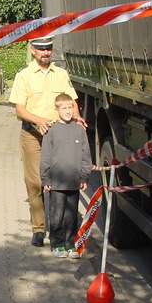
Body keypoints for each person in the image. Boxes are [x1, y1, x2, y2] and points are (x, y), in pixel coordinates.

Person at [8, 37, 82, 247]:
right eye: (41, 49)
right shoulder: (24, 75)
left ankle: (63, 230)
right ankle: (39, 229)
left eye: (48, 49)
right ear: (33, 50)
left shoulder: (61, 74)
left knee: (63, 180)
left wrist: (77, 116)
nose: (45, 53)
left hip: (58, 136)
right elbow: (19, 109)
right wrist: (37, 120)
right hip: (32, 134)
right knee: (35, 182)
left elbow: (71, 101)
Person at [40, 93, 92, 258]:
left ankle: (70, 244)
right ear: (57, 110)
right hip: (56, 182)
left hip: (74, 181)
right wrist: (46, 178)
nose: (68, 111)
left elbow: (86, 155)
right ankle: (57, 244)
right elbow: (46, 156)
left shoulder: (79, 130)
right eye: (64, 108)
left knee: (71, 215)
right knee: (57, 215)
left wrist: (84, 176)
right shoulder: (51, 131)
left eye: (70, 107)